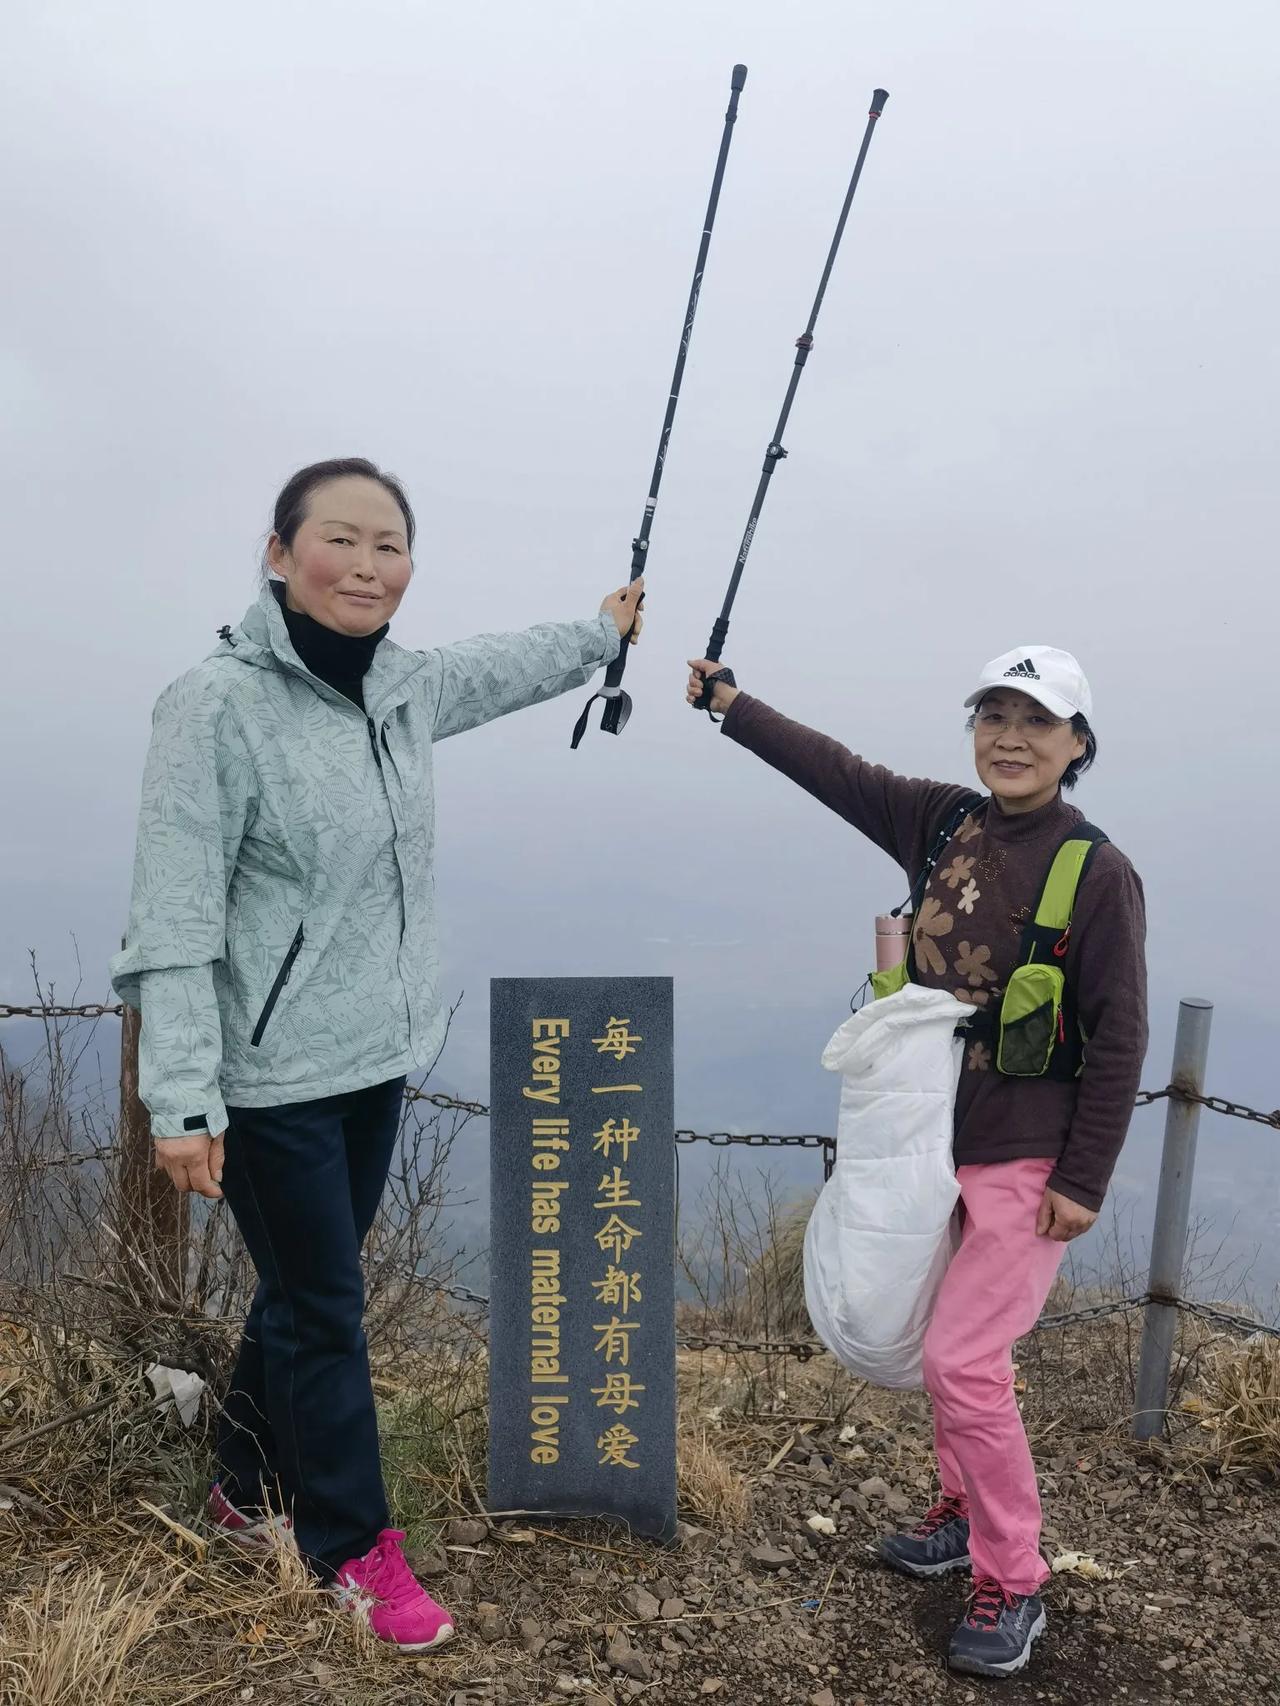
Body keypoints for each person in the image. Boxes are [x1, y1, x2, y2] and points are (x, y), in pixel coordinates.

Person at [111, 457, 643, 1653]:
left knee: (307, 1289)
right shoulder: (214, 705)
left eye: (388, 544)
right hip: (265, 1075)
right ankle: (351, 1544)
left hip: (373, 1053)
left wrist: (597, 632)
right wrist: (181, 1097)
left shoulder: (398, 687)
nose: (365, 565)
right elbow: (175, 916)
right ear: (279, 551)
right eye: (338, 539)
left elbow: (499, 666)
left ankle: (245, 1486)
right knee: (327, 1306)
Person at [685, 644, 1147, 1680]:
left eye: (1036, 721)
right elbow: (836, 770)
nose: (1010, 737)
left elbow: (1118, 1032)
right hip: (921, 1135)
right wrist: (729, 704)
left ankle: (1011, 1573)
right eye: (993, 714)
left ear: (1076, 743)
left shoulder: (1095, 870)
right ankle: (959, 1505)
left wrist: (1083, 1176)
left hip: (1025, 1153)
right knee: (933, 1332)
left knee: (962, 1359)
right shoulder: (944, 820)